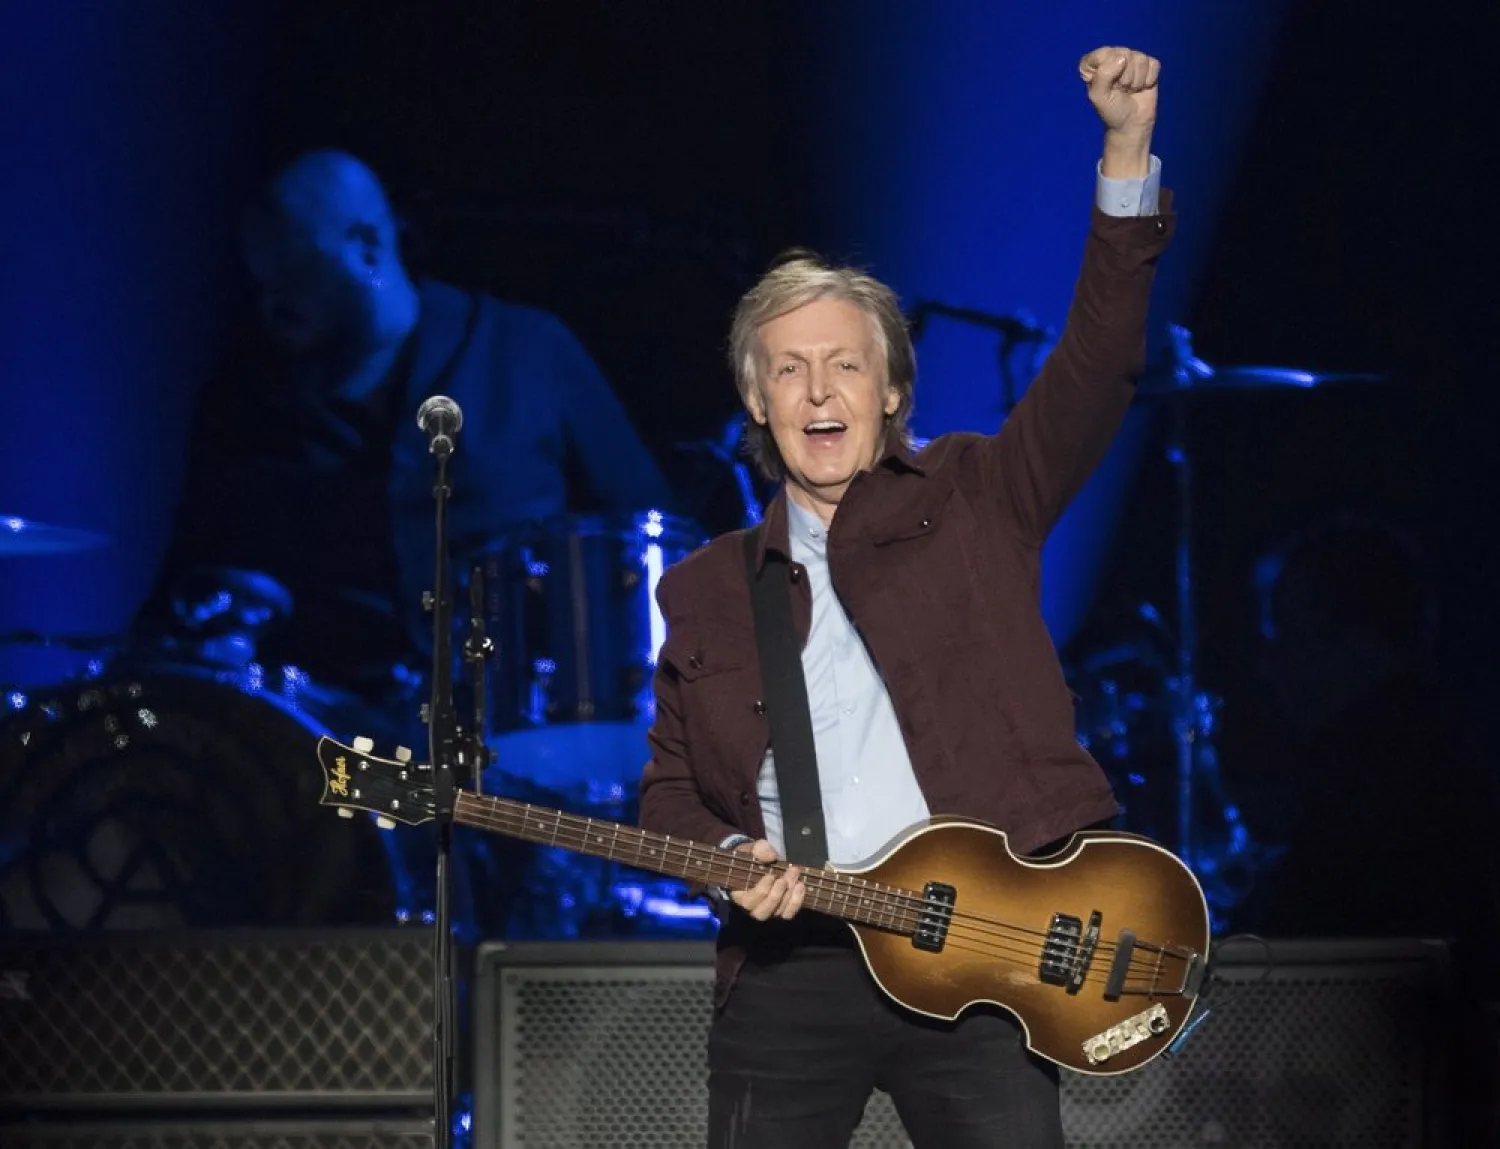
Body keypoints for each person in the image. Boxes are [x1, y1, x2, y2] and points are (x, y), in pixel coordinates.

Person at [639, 46, 1171, 1148]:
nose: (818, 390)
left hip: (976, 957)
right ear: (756, 399)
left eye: (845, 364)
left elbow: (1097, 366)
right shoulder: (702, 588)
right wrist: (728, 860)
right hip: (789, 975)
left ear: (890, 391)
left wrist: (1126, 153)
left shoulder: (979, 496)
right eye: (789, 369)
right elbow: (672, 794)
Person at [132, 150, 673, 929]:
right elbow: (183, 588)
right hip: (328, 759)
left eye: (291, 271)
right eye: (259, 280)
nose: (272, 299)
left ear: (366, 247)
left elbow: (648, 532)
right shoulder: (245, 403)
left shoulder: (524, 351)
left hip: (517, 747)